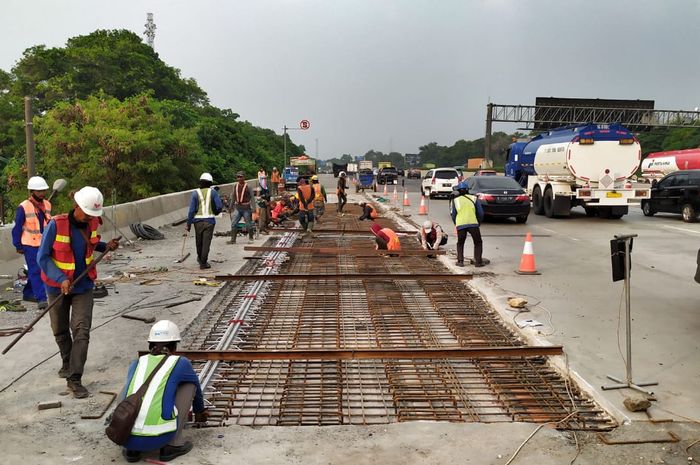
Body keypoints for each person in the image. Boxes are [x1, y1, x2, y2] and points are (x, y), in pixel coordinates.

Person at [38, 186, 120, 398]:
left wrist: (105, 246)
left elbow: (89, 245)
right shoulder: (56, 224)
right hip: (57, 286)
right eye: (87, 214)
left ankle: (74, 378)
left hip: (83, 286)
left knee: (82, 331)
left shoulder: (91, 221)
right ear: (76, 207)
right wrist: (61, 278)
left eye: (93, 215)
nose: (89, 218)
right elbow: (43, 257)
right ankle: (67, 360)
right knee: (60, 329)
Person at [119, 320, 207, 463]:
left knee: (127, 388)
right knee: (189, 385)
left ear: (151, 344)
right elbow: (196, 389)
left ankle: (133, 451)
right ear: (174, 346)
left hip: (125, 437)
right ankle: (173, 445)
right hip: (160, 437)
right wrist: (199, 411)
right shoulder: (180, 362)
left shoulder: (137, 363)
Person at [12, 176, 52, 309]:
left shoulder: (47, 204)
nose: (42, 193)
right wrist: (18, 244)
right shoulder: (24, 206)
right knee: (36, 271)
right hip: (29, 244)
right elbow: (17, 227)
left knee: (40, 270)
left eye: (43, 190)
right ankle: (42, 298)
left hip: (44, 243)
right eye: (39, 191)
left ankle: (28, 293)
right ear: (32, 191)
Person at [185, 173, 223, 269]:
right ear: (210, 183)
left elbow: (191, 211)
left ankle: (200, 258)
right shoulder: (213, 192)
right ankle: (203, 262)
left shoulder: (195, 193)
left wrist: (188, 224)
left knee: (199, 241)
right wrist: (216, 212)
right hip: (209, 221)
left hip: (197, 221)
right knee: (206, 242)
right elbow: (219, 206)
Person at [450, 181, 489, 267]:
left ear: (458, 191)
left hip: (461, 224)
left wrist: (456, 224)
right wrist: (478, 222)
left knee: (460, 243)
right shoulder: (474, 198)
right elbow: (481, 213)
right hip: (473, 224)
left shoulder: (455, 200)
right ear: (468, 190)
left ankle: (460, 261)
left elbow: (453, 215)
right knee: (478, 242)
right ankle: (478, 262)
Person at [229, 171, 255, 244]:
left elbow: (252, 197)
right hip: (238, 208)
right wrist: (230, 206)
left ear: (244, 177)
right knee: (233, 223)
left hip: (246, 208)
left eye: (240, 177)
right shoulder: (235, 186)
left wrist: (254, 208)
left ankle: (251, 238)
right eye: (238, 177)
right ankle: (233, 239)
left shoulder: (248, 186)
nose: (239, 178)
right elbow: (233, 197)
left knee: (248, 224)